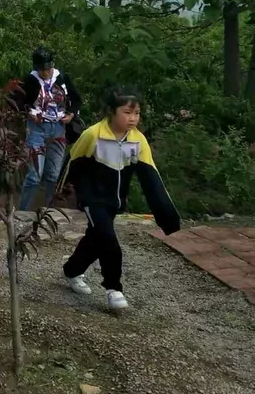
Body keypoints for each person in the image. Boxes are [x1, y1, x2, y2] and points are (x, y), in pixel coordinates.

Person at [63, 87, 180, 312]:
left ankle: (71, 271)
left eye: (136, 113)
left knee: (95, 239)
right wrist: (64, 192)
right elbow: (72, 163)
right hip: (92, 199)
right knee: (108, 240)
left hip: (115, 202)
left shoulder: (138, 141)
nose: (133, 118)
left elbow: (152, 179)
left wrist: (168, 217)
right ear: (111, 112)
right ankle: (113, 289)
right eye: (127, 112)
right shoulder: (93, 135)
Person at [18, 46, 82, 211]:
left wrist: (72, 114)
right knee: (34, 175)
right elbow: (18, 102)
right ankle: (22, 211)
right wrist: (29, 112)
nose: (45, 73)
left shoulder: (62, 78)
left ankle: (49, 211)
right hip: (37, 127)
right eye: (41, 70)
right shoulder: (30, 80)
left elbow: (76, 99)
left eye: (47, 69)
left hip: (58, 127)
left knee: (53, 174)